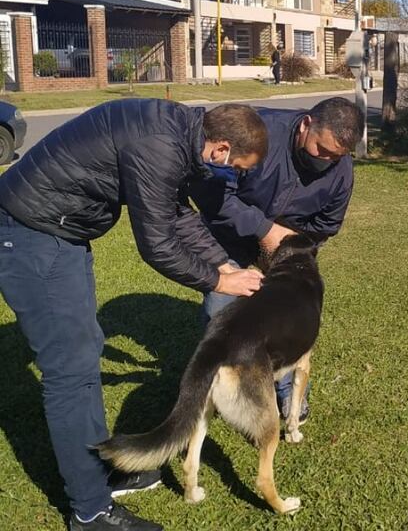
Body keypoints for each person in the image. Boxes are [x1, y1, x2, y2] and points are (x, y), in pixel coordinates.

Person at [0, 99, 268, 531]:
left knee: (84, 354)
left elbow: (176, 214)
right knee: (70, 370)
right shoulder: (161, 144)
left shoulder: (179, 133)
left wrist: (225, 264)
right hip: (32, 232)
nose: (233, 175)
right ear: (221, 148)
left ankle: (101, 469)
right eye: (236, 167)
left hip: (60, 231)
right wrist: (219, 283)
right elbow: (157, 244)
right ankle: (90, 511)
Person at [191, 96, 365, 423]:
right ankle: (218, 383)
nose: (326, 161)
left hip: (286, 249)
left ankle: (286, 392)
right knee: (220, 309)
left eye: (336, 156)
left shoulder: (341, 171)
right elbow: (215, 197)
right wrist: (264, 230)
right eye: (321, 149)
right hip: (230, 235)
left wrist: (288, 245)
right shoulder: (259, 133)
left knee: (288, 317)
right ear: (306, 125)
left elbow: (327, 224)